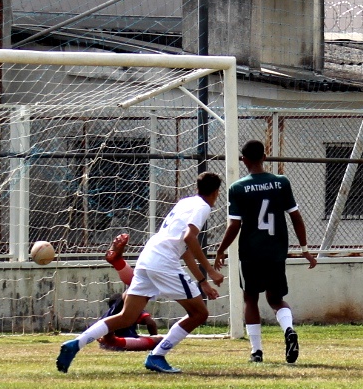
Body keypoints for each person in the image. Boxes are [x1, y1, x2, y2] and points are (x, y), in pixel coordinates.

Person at [58, 172, 224, 375]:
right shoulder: (203, 207)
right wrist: (211, 271)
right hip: (164, 262)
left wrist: (202, 281)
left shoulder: (185, 202)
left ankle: (76, 343)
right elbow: (190, 238)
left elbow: (185, 247)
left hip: (148, 257)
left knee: (127, 316)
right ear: (216, 192)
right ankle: (157, 356)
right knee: (199, 313)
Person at [213, 140, 316, 363]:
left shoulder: (238, 188)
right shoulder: (281, 182)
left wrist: (220, 250)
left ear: (244, 160)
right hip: (276, 251)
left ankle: (256, 351)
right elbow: (296, 216)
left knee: (250, 298)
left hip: (251, 253)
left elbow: (234, 225)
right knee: (276, 298)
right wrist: (305, 249)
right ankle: (288, 330)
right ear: (265, 157)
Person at [94, 233, 162, 352]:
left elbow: (97, 330)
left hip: (111, 342)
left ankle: (119, 263)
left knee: (140, 285)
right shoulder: (133, 308)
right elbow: (150, 322)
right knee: (160, 339)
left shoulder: (106, 316)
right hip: (129, 341)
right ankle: (118, 262)